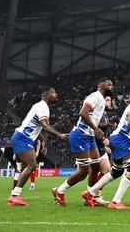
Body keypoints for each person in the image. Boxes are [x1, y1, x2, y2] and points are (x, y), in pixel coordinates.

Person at [82, 85, 130, 210]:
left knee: (116, 171)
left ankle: (90, 193)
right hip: (121, 138)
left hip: (121, 138)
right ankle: (116, 202)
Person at [52, 78, 114, 207]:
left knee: (96, 166)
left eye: (112, 85)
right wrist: (96, 128)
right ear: (100, 85)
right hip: (80, 135)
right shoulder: (96, 96)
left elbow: (93, 118)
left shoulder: (101, 99)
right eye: (109, 84)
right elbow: (83, 113)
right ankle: (59, 191)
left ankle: (91, 195)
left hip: (89, 137)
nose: (111, 86)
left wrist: (99, 132)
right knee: (84, 171)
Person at [7, 87, 68, 206]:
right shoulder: (42, 107)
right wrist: (59, 135)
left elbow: (35, 126)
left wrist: (43, 140)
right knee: (32, 165)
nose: (56, 95)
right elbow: (44, 125)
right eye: (53, 92)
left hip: (21, 137)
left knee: (22, 168)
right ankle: (14, 196)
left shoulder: (39, 106)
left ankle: (13, 196)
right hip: (22, 138)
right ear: (45, 94)